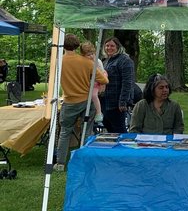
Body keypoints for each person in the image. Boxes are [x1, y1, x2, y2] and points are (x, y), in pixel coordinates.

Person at [55, 34, 109, 170]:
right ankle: (85, 161)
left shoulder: (59, 62)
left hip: (69, 101)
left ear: (63, 45)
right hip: (86, 101)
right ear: (77, 46)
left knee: (65, 132)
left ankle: (60, 163)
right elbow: (104, 80)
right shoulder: (86, 62)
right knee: (86, 131)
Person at [101, 37, 135, 133]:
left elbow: (128, 82)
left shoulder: (125, 60)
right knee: (107, 125)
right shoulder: (105, 61)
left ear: (118, 47)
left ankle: (124, 147)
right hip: (105, 101)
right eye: (107, 46)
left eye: (112, 46)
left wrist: (123, 101)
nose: (109, 48)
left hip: (117, 103)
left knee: (119, 129)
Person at [80, 42, 108, 124]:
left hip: (97, 81)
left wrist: (102, 84)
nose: (91, 56)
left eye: (92, 54)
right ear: (83, 55)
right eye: (88, 55)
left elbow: (102, 73)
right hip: (87, 83)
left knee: (93, 95)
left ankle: (99, 113)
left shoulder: (97, 61)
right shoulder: (83, 63)